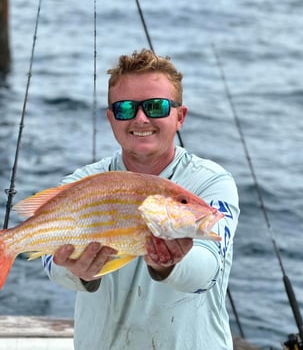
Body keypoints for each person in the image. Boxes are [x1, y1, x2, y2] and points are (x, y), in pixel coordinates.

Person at [42, 48, 239, 350]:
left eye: (156, 106)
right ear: (111, 119)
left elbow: (209, 271)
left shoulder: (212, 183)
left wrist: (170, 264)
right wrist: (77, 272)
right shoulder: (80, 184)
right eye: (125, 109)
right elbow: (48, 257)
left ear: (180, 116)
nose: (141, 117)